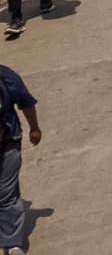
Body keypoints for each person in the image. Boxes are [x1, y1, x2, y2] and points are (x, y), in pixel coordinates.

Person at [0, 61, 42, 255]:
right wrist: (34, 128)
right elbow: (26, 101)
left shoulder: (6, 77)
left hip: (8, 144)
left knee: (7, 196)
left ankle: (12, 245)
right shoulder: (5, 75)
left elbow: (26, 101)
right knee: (7, 197)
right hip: (9, 141)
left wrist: (34, 127)